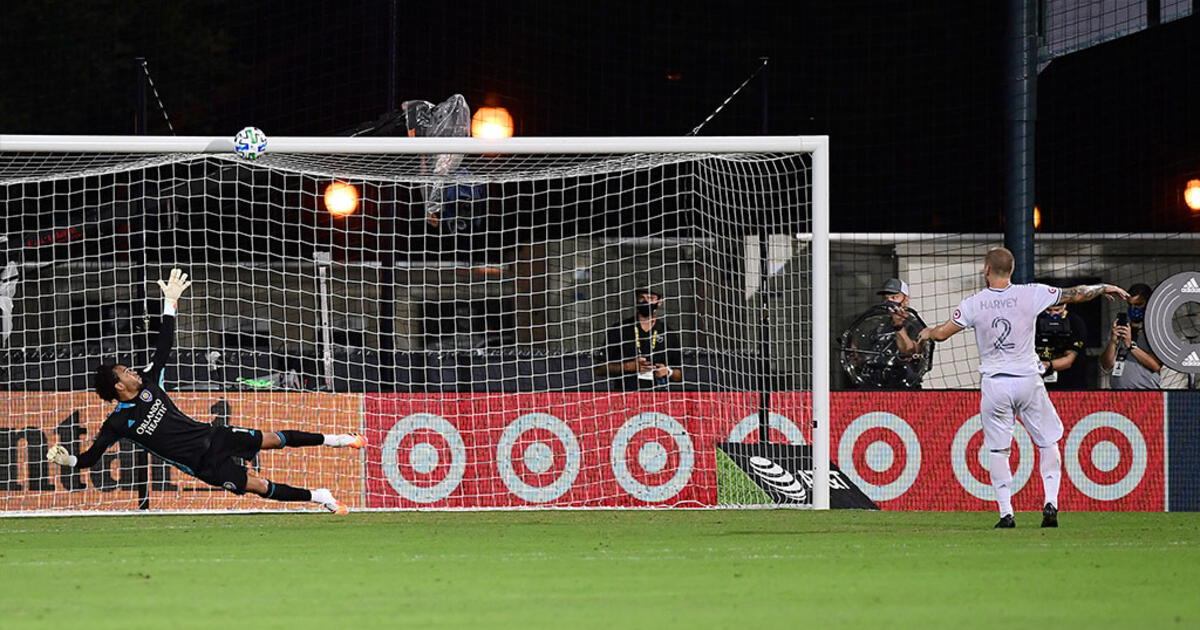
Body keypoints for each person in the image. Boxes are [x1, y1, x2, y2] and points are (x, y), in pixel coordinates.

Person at [45, 269, 366, 514]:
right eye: (125, 371)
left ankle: (338, 439)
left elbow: (164, 345)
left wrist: (170, 303)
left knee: (273, 439)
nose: (132, 371)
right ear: (118, 386)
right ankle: (319, 497)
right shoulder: (117, 423)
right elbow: (90, 457)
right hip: (203, 465)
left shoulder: (150, 384)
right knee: (258, 486)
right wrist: (69, 460)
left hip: (216, 436)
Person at [918, 248, 1128, 529]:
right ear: (1012, 270)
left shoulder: (974, 303)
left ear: (986, 270)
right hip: (1029, 380)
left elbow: (943, 333)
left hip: (995, 384)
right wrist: (1103, 287)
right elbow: (1075, 293)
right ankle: (1050, 502)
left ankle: (1007, 513)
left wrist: (927, 332)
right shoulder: (1031, 293)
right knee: (1048, 442)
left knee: (998, 450)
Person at [838, 278, 930, 389]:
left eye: (894, 297)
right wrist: (859, 356)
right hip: (875, 383)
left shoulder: (914, 325)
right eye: (886, 298)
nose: (889, 302)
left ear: (906, 300)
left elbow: (910, 352)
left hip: (903, 385)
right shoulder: (879, 325)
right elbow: (875, 355)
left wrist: (898, 327)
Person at [596, 288, 683, 391]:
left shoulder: (669, 333)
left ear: (660, 302)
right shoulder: (619, 329)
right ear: (636, 300)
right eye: (641, 298)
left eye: (650, 298)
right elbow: (599, 369)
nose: (645, 301)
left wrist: (668, 372)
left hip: (658, 398)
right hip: (625, 395)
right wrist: (628, 366)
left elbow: (679, 375)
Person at [1099, 283, 1162, 389]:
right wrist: (1113, 342)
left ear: (1148, 303)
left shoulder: (1155, 329)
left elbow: (1155, 365)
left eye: (1138, 304)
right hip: (1118, 393)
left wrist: (1131, 345)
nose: (1133, 309)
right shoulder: (1120, 325)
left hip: (1145, 392)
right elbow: (1106, 366)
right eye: (1130, 305)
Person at [1034, 302, 1089, 389]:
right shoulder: (1035, 320)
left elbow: (1069, 360)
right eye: (1048, 310)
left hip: (1069, 382)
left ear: (1064, 306)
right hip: (1038, 380)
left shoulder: (1075, 322)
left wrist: (1046, 366)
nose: (1052, 314)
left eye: (1057, 310)